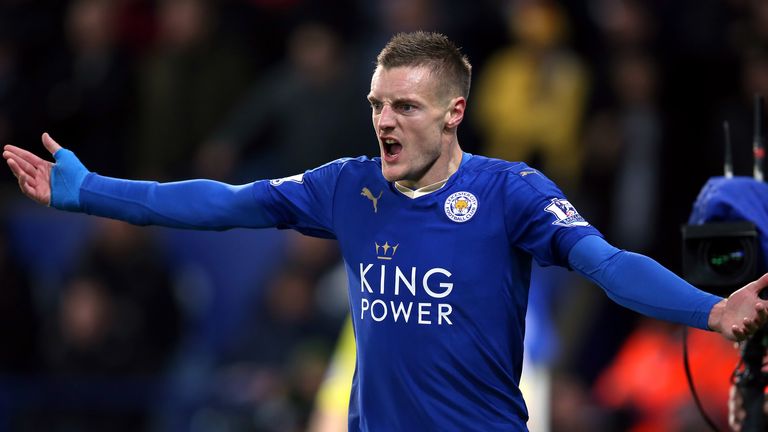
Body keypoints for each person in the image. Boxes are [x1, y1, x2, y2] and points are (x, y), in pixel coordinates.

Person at [4, 31, 768, 431]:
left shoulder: (513, 193)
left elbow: (606, 264)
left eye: (404, 106)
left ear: (452, 113)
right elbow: (219, 203)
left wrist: (710, 310)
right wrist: (89, 190)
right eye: (377, 104)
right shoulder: (347, 186)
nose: (383, 121)